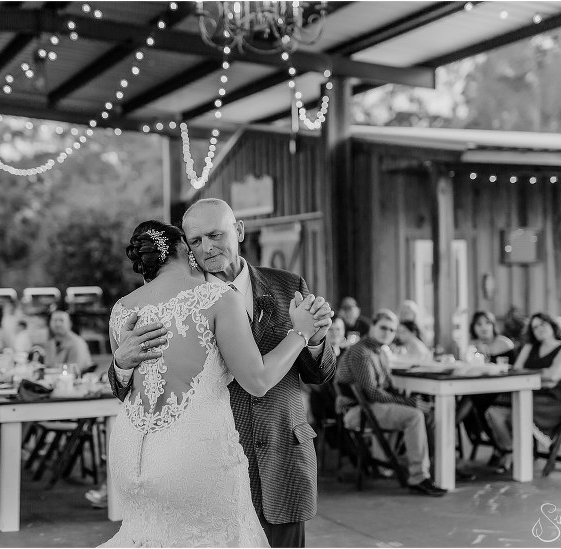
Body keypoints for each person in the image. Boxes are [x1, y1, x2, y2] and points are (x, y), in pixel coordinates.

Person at [109, 200, 335, 548]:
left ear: (239, 231)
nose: (206, 248)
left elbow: (318, 374)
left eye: (215, 235)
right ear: (184, 245)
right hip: (209, 461)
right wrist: (121, 364)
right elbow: (142, 387)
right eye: (195, 240)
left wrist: (316, 338)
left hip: (281, 454)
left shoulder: (287, 285)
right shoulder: (186, 297)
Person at [335, 309, 446, 497]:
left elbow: (389, 388)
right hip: (357, 411)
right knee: (415, 416)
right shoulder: (361, 352)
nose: (388, 333)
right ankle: (418, 478)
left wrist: (411, 401)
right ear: (372, 326)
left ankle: (437, 467)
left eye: (392, 330)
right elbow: (372, 393)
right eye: (383, 328)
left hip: (373, 406)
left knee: (429, 412)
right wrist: (409, 403)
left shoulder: (381, 352)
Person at [485, 313, 561, 473]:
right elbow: (518, 371)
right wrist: (542, 376)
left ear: (552, 325)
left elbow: (553, 375)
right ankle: (509, 450)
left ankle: (521, 462)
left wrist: (534, 376)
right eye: (535, 327)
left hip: (550, 402)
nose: (539, 329)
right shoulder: (529, 347)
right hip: (525, 395)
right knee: (493, 411)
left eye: (542, 324)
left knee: (517, 412)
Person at [457, 311, 516, 464]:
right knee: (471, 398)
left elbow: (513, 370)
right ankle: (499, 446)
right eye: (479, 324)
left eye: (487, 323)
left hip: (504, 390)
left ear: (493, 325)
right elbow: (468, 368)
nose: (483, 327)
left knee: (472, 400)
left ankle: (448, 425)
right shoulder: (473, 346)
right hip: (481, 388)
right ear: (473, 328)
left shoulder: (504, 343)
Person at [44, 310, 94, 375]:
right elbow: (48, 365)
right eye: (55, 320)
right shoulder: (51, 342)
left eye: (61, 320)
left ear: (69, 323)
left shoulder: (77, 343)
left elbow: (75, 370)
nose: (57, 324)